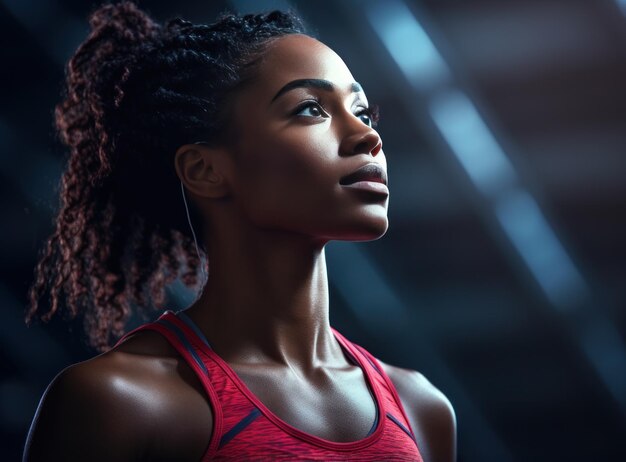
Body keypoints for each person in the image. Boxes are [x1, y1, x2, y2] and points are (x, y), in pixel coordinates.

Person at [22, 2, 456, 461]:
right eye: (311, 109)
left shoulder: (421, 410)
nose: (368, 137)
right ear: (205, 170)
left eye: (363, 113)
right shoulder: (118, 403)